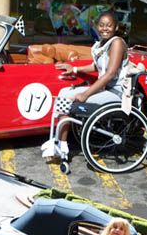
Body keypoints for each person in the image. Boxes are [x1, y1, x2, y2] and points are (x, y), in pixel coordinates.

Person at [41, 11, 128, 158]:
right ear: (97, 26)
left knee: (68, 98)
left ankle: (61, 145)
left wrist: (85, 94)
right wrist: (74, 68)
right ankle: (59, 143)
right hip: (106, 90)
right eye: (101, 25)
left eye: (109, 25)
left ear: (116, 27)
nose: (104, 28)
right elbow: (97, 67)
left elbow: (110, 73)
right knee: (63, 93)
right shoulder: (102, 44)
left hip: (117, 93)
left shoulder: (117, 43)